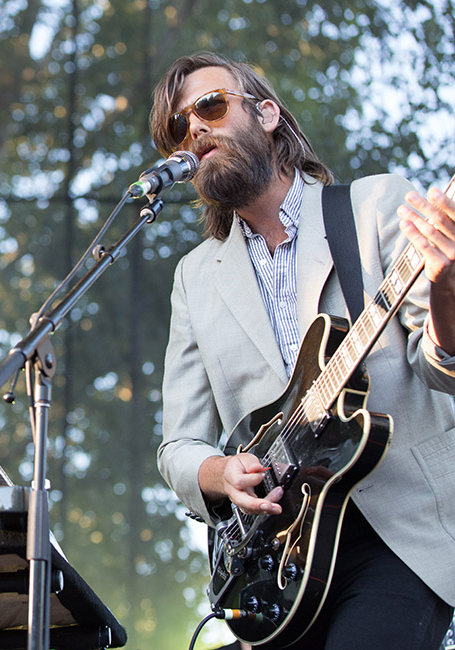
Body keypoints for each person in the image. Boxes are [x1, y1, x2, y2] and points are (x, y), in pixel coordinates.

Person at [151, 52, 455, 649]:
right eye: (177, 129)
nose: (195, 130)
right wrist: (220, 472)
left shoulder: (374, 206)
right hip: (280, 561)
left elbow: (442, 370)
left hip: (405, 534)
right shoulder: (196, 277)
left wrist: (447, 290)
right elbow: (178, 446)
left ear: (267, 114)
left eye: (211, 106)